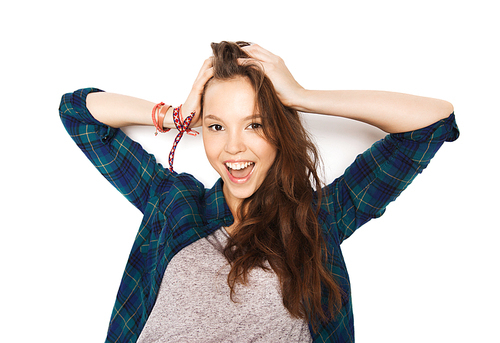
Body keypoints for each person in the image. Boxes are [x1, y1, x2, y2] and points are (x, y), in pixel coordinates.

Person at [59, 41, 459, 343]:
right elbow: (77, 113)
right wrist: (174, 115)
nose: (234, 147)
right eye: (217, 126)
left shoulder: (319, 219)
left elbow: (432, 122)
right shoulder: (174, 203)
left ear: (279, 132)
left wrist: (301, 96)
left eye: (254, 124)